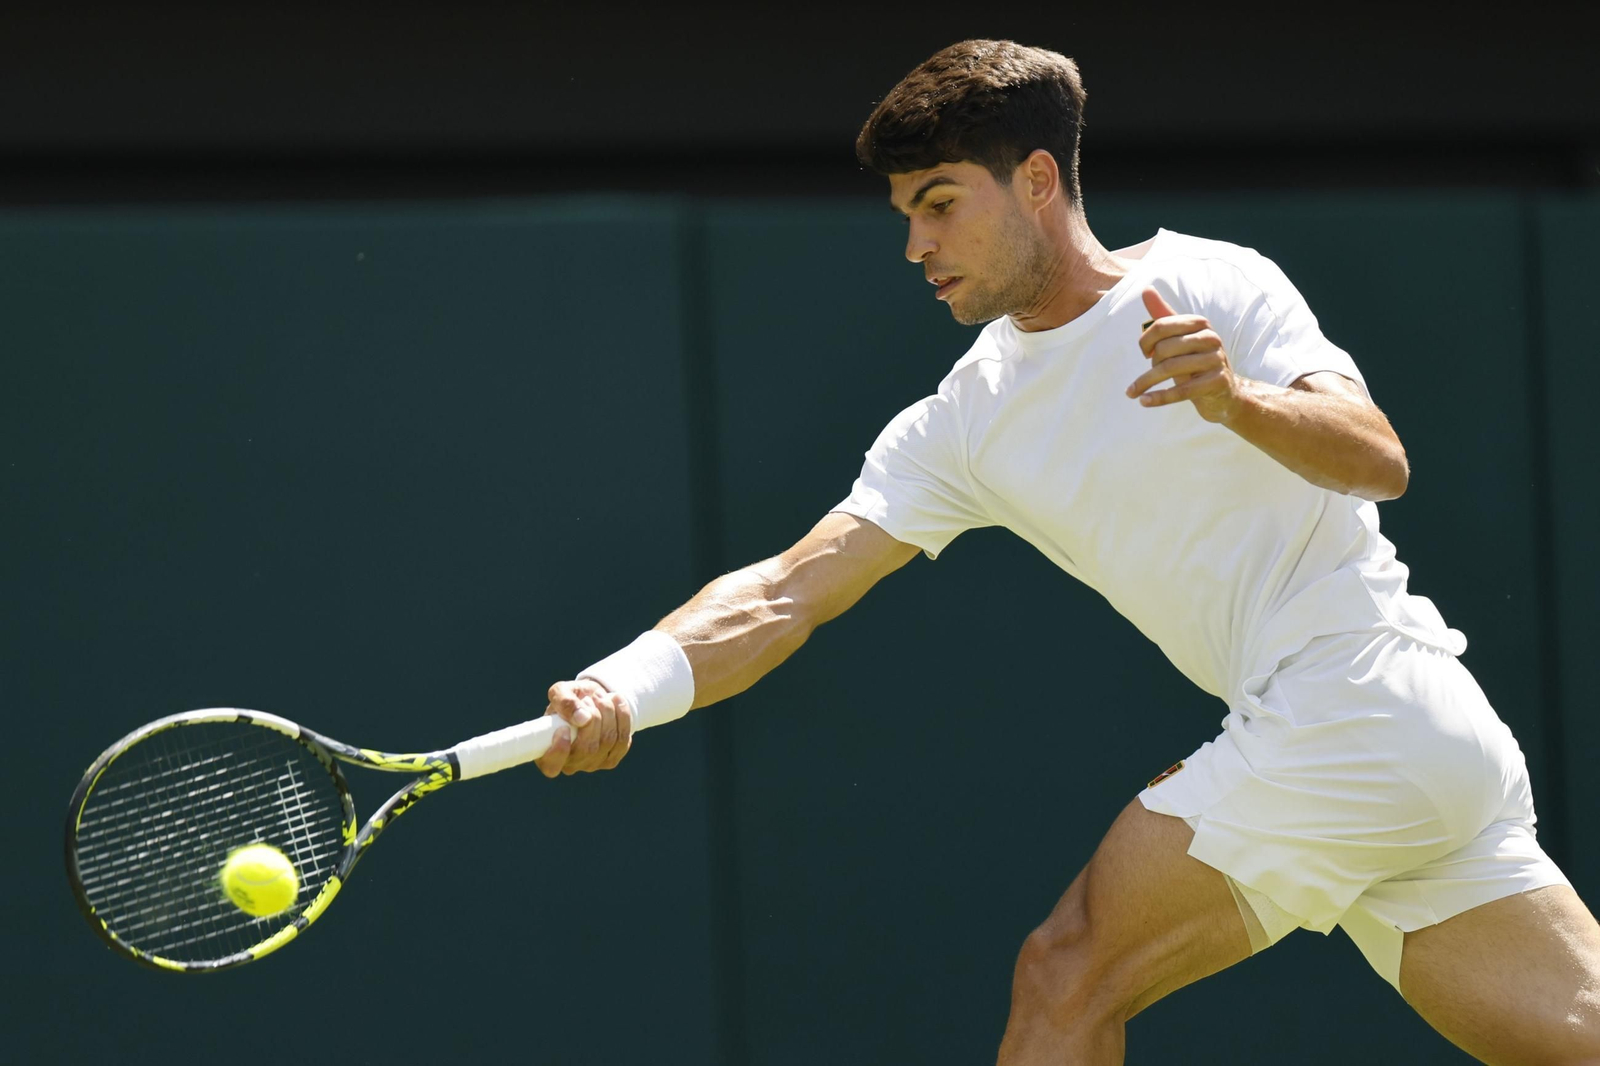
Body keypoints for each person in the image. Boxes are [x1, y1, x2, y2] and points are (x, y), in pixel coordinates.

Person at [532, 39, 1600, 1064]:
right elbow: (784, 592)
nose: (916, 246)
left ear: (1036, 179)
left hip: (1357, 702)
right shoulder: (963, 421)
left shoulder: (1215, 283)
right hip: (1414, 743)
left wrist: (1234, 400)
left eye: (940, 204)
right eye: (905, 214)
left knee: (1065, 973)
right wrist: (621, 685)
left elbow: (1379, 460)